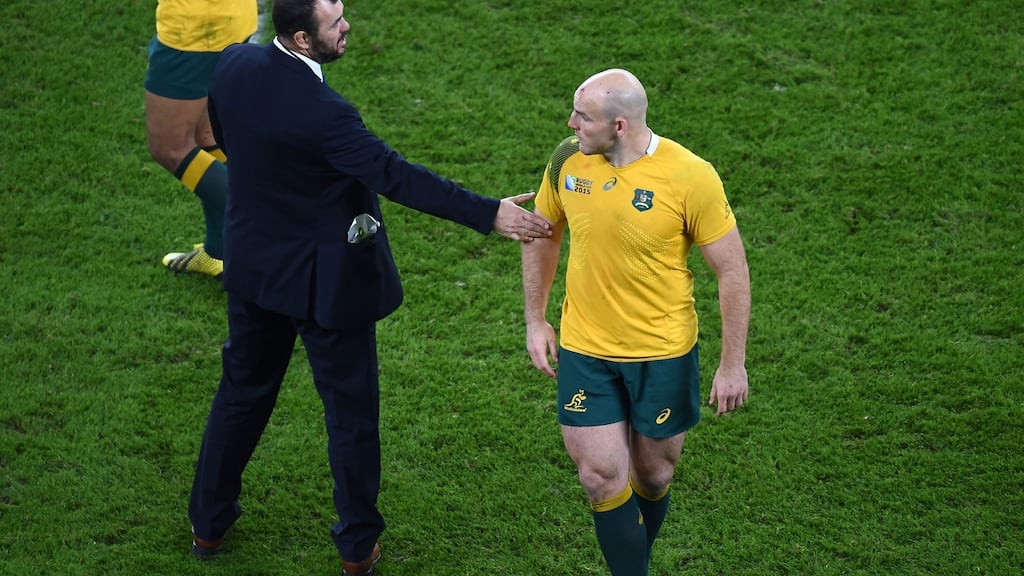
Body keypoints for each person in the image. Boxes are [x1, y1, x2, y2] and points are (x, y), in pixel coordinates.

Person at [186, 1, 552, 575]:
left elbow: (228, 136)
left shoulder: (234, 65)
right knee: (351, 418)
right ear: (304, 39)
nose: (347, 24)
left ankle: (207, 525)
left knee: (241, 393)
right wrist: (490, 215)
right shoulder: (327, 114)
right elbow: (394, 175)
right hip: (328, 286)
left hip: (255, 270)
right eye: (335, 22)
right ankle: (357, 547)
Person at [521, 69, 751, 576]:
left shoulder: (690, 177)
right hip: (586, 351)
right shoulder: (566, 160)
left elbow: (731, 270)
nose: (571, 123)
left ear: (619, 126)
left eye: (583, 117)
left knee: (652, 474)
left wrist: (731, 364)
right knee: (601, 477)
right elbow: (543, 233)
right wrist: (535, 319)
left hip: (663, 353)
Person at [144, 0, 259, 279]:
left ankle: (273, 229)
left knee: (170, 147)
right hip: (233, 16)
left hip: (195, 29)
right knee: (207, 134)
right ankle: (219, 253)